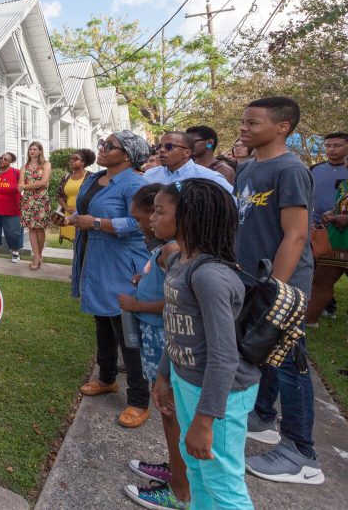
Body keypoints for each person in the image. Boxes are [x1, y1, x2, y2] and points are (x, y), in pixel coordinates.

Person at [152, 179, 262, 510]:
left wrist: (205, 421)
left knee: (223, 483)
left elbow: (224, 357)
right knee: (197, 469)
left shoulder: (210, 276)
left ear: (188, 217)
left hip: (219, 396)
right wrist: (163, 375)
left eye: (159, 211)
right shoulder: (178, 263)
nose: (152, 218)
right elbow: (175, 328)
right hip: (187, 382)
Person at [234, 97, 323, 485]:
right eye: (243, 122)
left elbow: (297, 234)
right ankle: (263, 416)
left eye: (253, 123)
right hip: (249, 281)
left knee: (290, 364)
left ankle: (301, 453)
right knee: (261, 352)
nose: (244, 129)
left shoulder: (290, 170)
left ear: (282, 126)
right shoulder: (248, 168)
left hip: (280, 287)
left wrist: (276, 293)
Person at [63, 131, 152, 428]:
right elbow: (84, 211)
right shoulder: (94, 178)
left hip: (121, 262)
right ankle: (107, 378)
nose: (101, 148)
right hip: (94, 256)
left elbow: (143, 222)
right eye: (102, 143)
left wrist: (98, 223)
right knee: (102, 320)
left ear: (127, 155)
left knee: (126, 329)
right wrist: (72, 219)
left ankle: (139, 399)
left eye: (109, 146)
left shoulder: (136, 183)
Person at [123, 184, 186, 510]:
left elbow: (173, 303)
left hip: (162, 337)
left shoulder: (172, 251)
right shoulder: (161, 249)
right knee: (165, 409)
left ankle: (180, 490)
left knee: (170, 408)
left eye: (149, 216)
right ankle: (175, 467)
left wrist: (134, 305)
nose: (144, 225)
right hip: (154, 336)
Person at [306, 131, 348, 325]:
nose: (331, 150)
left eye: (337, 145)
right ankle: (313, 317)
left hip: (342, 231)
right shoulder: (314, 169)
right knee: (321, 277)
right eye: (328, 146)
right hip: (325, 231)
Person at [143, 131, 232, 194]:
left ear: (187, 153)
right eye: (159, 146)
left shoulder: (209, 177)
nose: (161, 150)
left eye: (169, 146)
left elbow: (235, 204)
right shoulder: (149, 175)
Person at [20, 141, 53, 270]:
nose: (32, 151)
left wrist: (26, 186)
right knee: (32, 229)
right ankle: (36, 256)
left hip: (41, 200)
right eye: (30, 149)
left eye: (35, 149)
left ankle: (39, 255)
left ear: (40, 151)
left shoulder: (46, 164)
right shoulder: (25, 167)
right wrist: (29, 186)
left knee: (40, 228)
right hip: (28, 201)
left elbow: (44, 182)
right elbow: (19, 186)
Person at [57, 149, 95, 242]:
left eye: (75, 159)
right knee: (74, 244)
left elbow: (94, 197)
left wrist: (78, 211)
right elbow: (59, 195)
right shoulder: (66, 176)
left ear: (83, 162)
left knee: (83, 243)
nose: (72, 161)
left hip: (83, 215)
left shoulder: (91, 177)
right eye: (71, 159)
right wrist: (66, 208)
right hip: (68, 215)